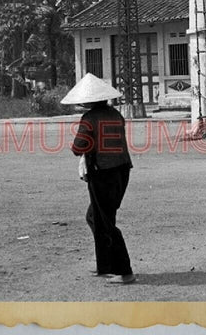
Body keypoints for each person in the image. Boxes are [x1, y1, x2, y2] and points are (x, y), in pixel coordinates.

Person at [61, 73, 136, 285]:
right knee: (95, 217)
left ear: (89, 100)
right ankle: (105, 265)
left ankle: (125, 271)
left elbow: (78, 148)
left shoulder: (89, 119)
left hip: (103, 173)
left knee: (105, 222)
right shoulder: (115, 114)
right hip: (122, 170)